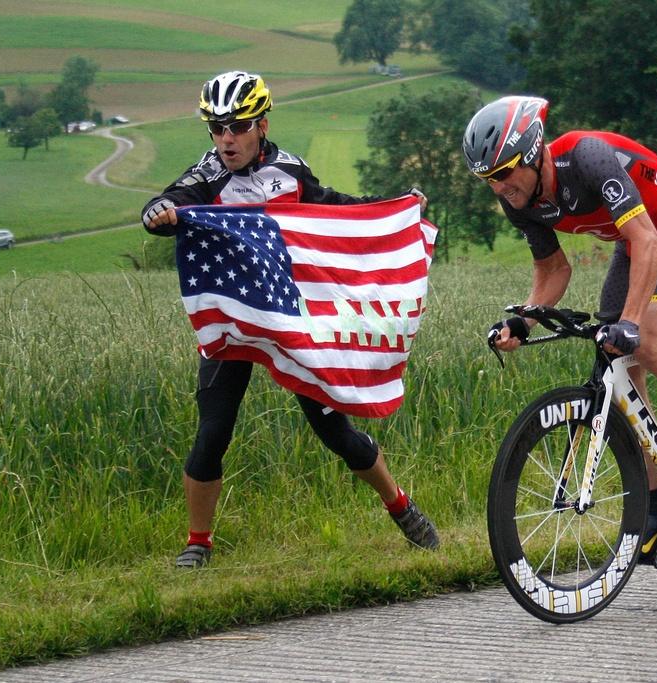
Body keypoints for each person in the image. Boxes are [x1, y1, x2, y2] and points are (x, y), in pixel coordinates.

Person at [142, 71, 439, 568]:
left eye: (235, 126)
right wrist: (158, 212)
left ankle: (402, 507)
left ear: (261, 123)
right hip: (236, 322)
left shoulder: (289, 172)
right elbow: (168, 200)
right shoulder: (206, 174)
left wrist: (395, 208)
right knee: (213, 432)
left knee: (336, 434)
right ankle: (198, 544)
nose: (225, 138)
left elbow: (337, 212)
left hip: (290, 320)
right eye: (215, 128)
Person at [462, 96, 657, 566]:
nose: (499, 187)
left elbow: (648, 239)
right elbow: (553, 271)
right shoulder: (520, 202)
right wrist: (523, 320)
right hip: (635, 240)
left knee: (652, 343)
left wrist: (630, 322)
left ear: (534, 153)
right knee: (617, 361)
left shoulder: (587, 157)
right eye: (488, 180)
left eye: (504, 173)